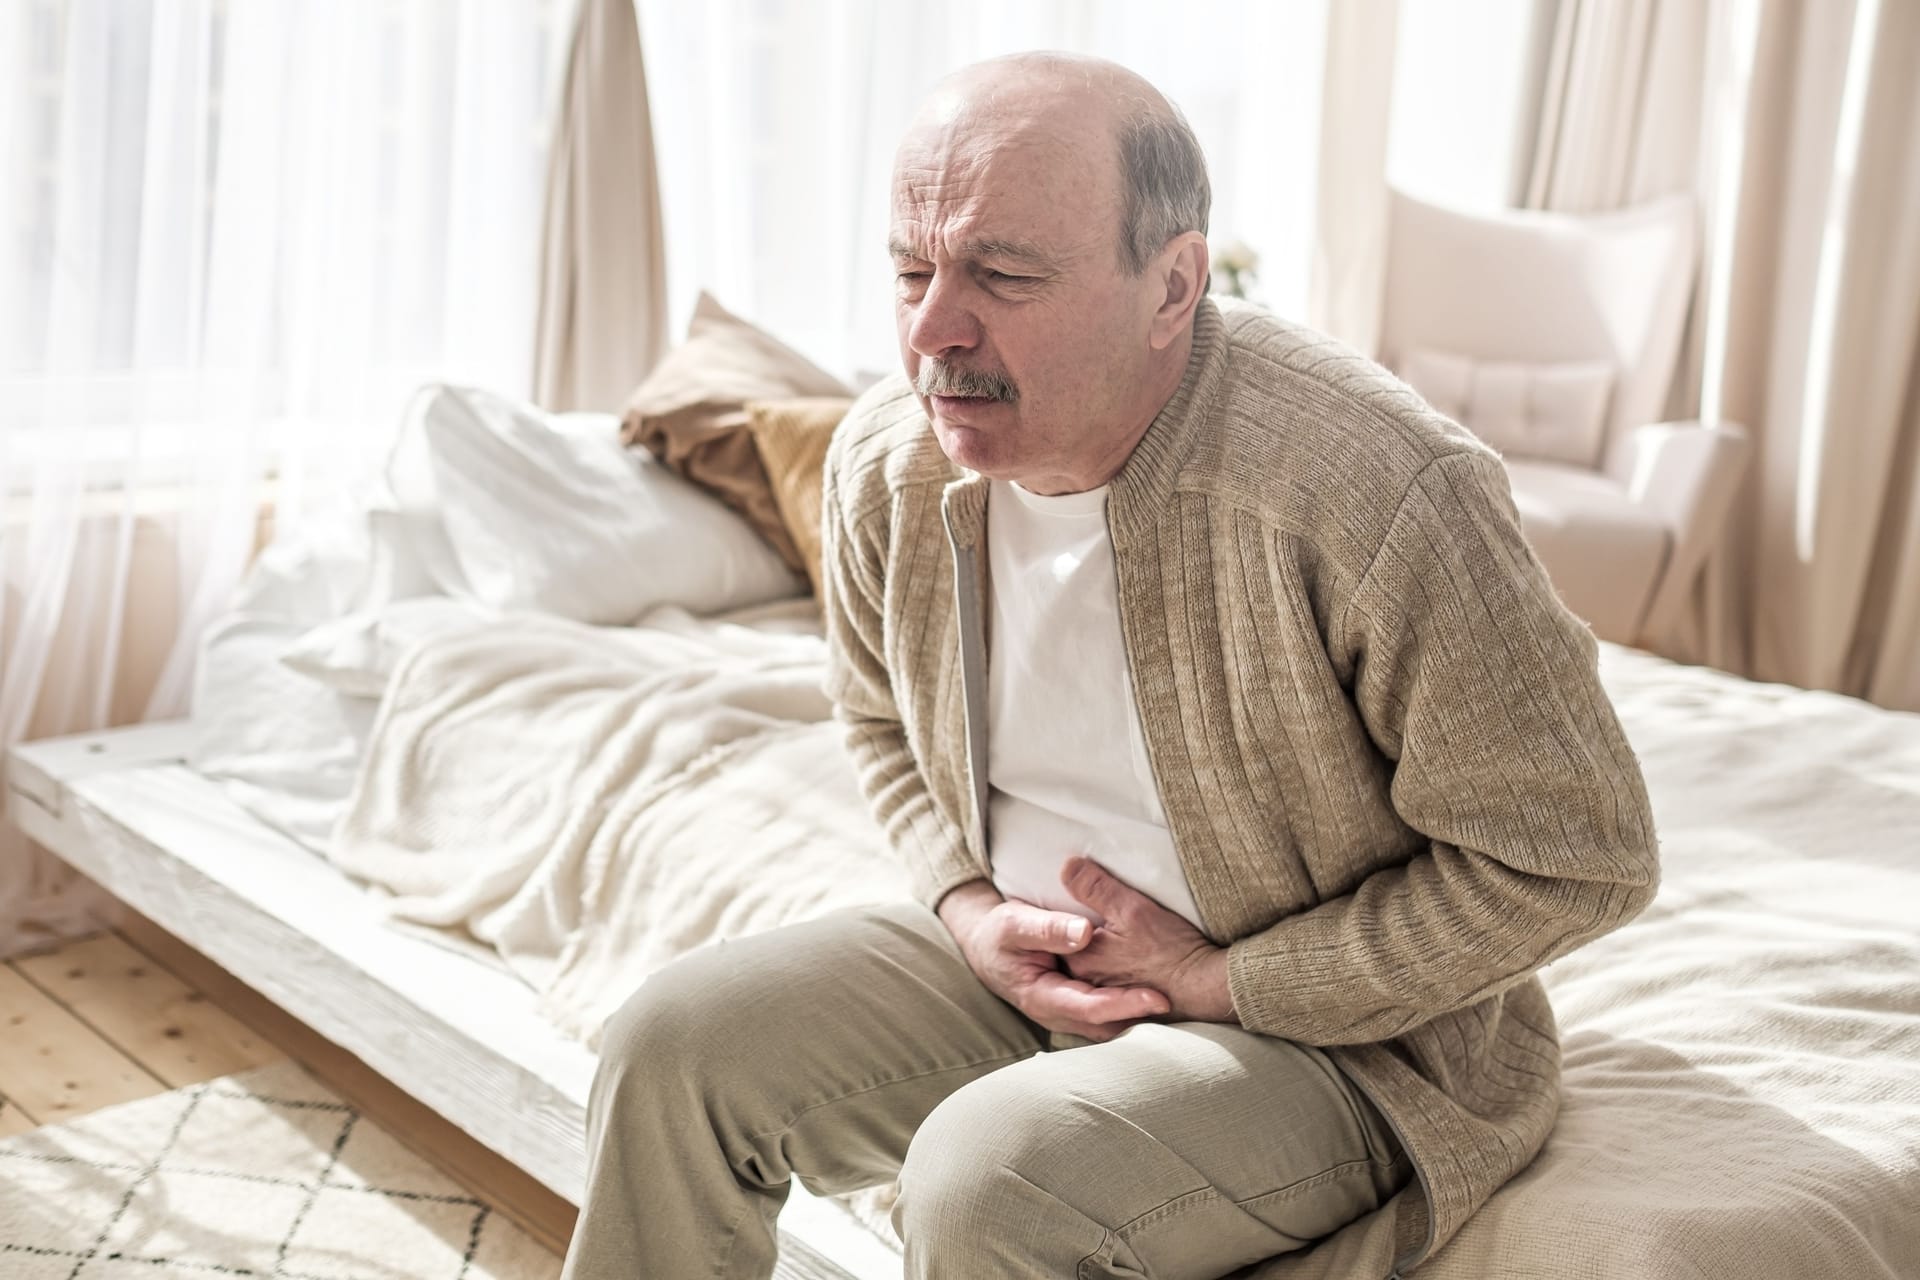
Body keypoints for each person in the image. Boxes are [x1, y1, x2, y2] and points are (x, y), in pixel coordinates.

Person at [560, 51, 1659, 1280]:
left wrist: (1221, 977)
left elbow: (1574, 856)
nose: (932, 333)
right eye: (911, 271)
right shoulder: (888, 463)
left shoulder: (1377, 489)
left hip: (1338, 1042)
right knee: (673, 1045)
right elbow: (874, 718)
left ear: (1174, 284)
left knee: (990, 1176)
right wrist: (968, 910)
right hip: (1021, 968)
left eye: (1004, 274)